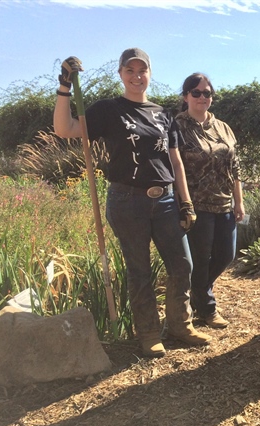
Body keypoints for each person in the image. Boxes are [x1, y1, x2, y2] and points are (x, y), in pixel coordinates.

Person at [53, 48, 211, 358]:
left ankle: (180, 324)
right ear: (121, 74)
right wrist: (65, 87)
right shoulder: (109, 109)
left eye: (142, 70)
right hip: (127, 201)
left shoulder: (164, 114)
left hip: (166, 200)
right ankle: (149, 333)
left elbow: (175, 163)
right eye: (130, 71)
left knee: (182, 265)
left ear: (150, 73)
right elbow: (65, 129)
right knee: (139, 270)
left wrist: (186, 202)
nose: (137, 76)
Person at [175, 73, 245, 328]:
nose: (202, 97)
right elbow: (174, 165)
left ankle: (199, 294)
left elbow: (235, 165)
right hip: (196, 205)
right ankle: (207, 308)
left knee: (226, 254)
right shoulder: (177, 127)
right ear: (186, 96)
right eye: (196, 92)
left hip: (224, 202)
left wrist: (239, 200)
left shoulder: (222, 127)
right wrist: (183, 204)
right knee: (201, 257)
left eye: (207, 93)